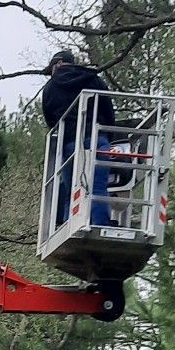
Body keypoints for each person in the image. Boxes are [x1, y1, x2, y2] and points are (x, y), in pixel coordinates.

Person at [41, 50, 117, 229]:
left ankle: (70, 225)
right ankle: (100, 225)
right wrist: (106, 137)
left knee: (72, 190)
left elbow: (50, 120)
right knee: (98, 187)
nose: (51, 73)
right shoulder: (93, 79)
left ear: (59, 63)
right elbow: (108, 110)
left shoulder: (50, 88)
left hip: (70, 143)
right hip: (98, 138)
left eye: (52, 68)